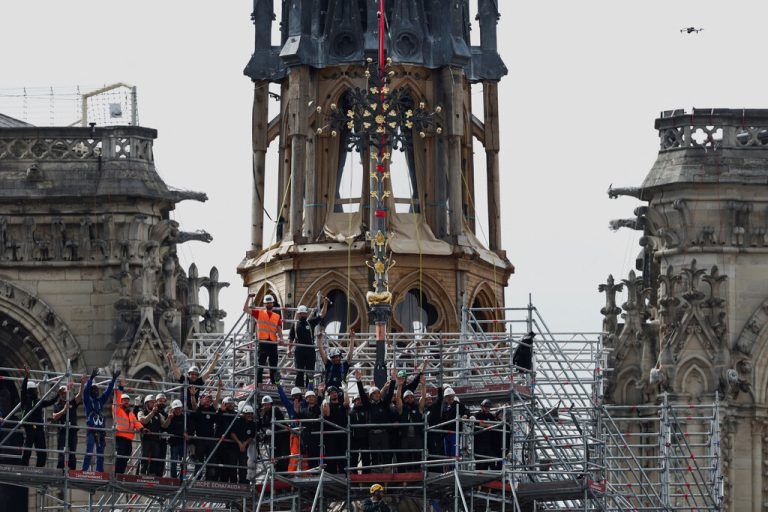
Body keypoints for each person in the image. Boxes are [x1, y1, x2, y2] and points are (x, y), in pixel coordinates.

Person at [355, 368, 396, 470]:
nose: (377, 395)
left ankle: (386, 471)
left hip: (384, 433)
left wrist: (393, 380)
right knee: (374, 454)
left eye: (378, 393)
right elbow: (362, 394)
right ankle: (376, 471)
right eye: (374, 394)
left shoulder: (384, 404)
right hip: (372, 433)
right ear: (370, 396)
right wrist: (359, 381)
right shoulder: (368, 405)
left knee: (386, 454)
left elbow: (390, 394)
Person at [20, 366, 59, 467]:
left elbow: (50, 402)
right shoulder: (25, 400)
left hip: (39, 429)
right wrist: (26, 376)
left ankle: (39, 468)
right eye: (35, 390)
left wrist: (58, 395)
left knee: (42, 452)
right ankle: (24, 467)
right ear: (31, 390)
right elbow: (23, 390)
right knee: (27, 450)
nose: (37, 392)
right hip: (29, 428)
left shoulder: (38, 401)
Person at [288, 297, 329, 388]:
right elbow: (291, 339)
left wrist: (325, 303)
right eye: (301, 313)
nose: (302, 315)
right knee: (299, 372)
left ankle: (309, 389)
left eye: (304, 313)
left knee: (310, 372)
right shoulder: (295, 325)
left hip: (310, 350)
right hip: (299, 350)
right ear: (298, 314)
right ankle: (299, 389)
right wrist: (289, 349)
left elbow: (322, 315)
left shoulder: (310, 323)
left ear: (306, 314)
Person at [82, 369, 118, 472]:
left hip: (101, 431)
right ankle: (84, 470)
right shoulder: (88, 401)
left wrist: (113, 380)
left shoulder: (100, 401)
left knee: (100, 453)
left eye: (97, 389)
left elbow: (108, 391)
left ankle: (99, 471)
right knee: (89, 451)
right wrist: (91, 379)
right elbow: (85, 392)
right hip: (91, 430)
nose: (96, 391)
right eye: (94, 389)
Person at [244, 294, 284, 384]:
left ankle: (274, 384)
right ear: (264, 304)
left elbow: (279, 329)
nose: (269, 304)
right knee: (260, 364)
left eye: (270, 303)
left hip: (273, 342)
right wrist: (249, 298)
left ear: (272, 303)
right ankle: (258, 383)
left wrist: (281, 338)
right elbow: (245, 309)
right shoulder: (259, 313)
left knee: (273, 365)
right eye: (267, 303)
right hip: (263, 342)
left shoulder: (277, 316)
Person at [51, 375, 86, 470]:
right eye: (62, 393)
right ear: (59, 394)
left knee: (72, 452)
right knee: (61, 452)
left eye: (65, 393)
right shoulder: (57, 405)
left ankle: (72, 471)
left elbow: (80, 395)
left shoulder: (72, 402)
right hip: (62, 431)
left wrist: (82, 384)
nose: (63, 395)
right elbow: (54, 417)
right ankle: (60, 471)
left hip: (72, 430)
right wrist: (63, 410)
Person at [393, 372, 426, 472]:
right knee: (404, 456)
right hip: (405, 437)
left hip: (417, 436)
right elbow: (398, 398)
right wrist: (399, 386)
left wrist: (423, 385)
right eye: (407, 397)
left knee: (417, 456)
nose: (409, 399)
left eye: (411, 397)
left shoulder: (418, 407)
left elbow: (423, 397)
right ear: (404, 399)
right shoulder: (402, 408)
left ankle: (417, 473)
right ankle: (404, 475)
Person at [189, 381, 222, 480]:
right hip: (200, 439)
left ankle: (209, 480)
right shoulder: (199, 409)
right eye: (205, 400)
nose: (207, 402)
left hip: (210, 440)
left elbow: (217, 400)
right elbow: (193, 404)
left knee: (211, 461)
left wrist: (219, 388)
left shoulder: (212, 409)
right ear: (201, 400)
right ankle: (197, 478)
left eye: (209, 401)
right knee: (199, 461)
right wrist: (192, 395)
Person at [114, 382, 145, 474]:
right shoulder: (117, 409)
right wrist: (121, 388)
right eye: (124, 400)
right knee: (120, 456)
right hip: (120, 437)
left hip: (129, 438)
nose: (126, 402)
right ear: (120, 401)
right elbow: (116, 399)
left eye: (127, 400)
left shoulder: (130, 413)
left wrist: (142, 429)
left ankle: (120, 474)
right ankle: (117, 474)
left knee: (126, 457)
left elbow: (136, 422)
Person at [276, 385, 307, 472]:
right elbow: (283, 398)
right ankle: (291, 472)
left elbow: (310, 394)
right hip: (295, 433)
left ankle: (306, 473)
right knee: (294, 454)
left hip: (304, 433)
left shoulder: (305, 404)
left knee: (305, 454)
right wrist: (278, 386)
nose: (296, 397)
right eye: (294, 396)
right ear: (292, 397)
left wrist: (311, 382)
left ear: (300, 395)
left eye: (298, 395)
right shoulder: (290, 406)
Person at [321, 386, 349, 474]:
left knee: (342, 457)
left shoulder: (341, 405)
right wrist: (325, 398)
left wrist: (345, 391)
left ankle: (343, 474)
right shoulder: (327, 404)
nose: (334, 394)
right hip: (331, 437)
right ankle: (332, 475)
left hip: (342, 435)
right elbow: (327, 413)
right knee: (331, 458)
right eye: (331, 393)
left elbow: (347, 403)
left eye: (335, 392)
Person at [259, 395, 290, 472]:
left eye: (267, 404)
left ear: (271, 404)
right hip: (273, 439)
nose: (266, 406)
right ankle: (276, 473)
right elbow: (263, 425)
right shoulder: (265, 414)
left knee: (283, 457)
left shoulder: (275, 410)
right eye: (264, 405)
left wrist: (271, 429)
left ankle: (283, 474)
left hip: (282, 438)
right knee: (274, 457)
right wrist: (266, 430)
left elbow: (279, 423)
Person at [137, 394, 165, 476]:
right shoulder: (141, 412)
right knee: (144, 455)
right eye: (151, 402)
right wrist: (152, 413)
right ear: (146, 403)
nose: (153, 404)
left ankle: (152, 473)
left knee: (155, 456)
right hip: (145, 439)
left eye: (154, 402)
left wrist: (169, 418)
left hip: (155, 439)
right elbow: (143, 421)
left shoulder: (158, 414)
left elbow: (164, 425)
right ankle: (142, 472)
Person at [231, 404, 258, 484]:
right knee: (233, 463)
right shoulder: (237, 421)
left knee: (243, 463)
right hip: (234, 445)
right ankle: (233, 481)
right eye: (248, 414)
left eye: (251, 414)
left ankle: (242, 481)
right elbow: (232, 433)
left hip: (244, 446)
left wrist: (245, 443)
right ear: (244, 414)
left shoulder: (252, 424)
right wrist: (239, 443)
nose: (249, 415)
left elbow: (251, 436)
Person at [440, 387, 469, 462]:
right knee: (447, 453)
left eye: (451, 396)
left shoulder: (458, 405)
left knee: (454, 452)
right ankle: (448, 467)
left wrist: (465, 415)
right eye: (448, 396)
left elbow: (466, 411)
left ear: (454, 396)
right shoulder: (444, 406)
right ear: (445, 398)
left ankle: (454, 467)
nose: (450, 398)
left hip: (454, 432)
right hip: (445, 433)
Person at [215, 396, 240, 483]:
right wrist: (221, 411)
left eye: (231, 404)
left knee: (233, 466)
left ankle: (234, 483)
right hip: (221, 445)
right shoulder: (220, 413)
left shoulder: (235, 414)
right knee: (222, 466)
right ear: (224, 404)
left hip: (232, 444)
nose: (230, 405)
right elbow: (216, 421)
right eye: (228, 404)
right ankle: (223, 482)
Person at [162, 400, 188, 479]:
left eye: (179, 408)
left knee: (184, 463)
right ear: (173, 409)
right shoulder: (170, 417)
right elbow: (169, 429)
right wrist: (182, 433)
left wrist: (186, 434)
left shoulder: (185, 418)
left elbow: (188, 428)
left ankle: (182, 478)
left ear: (182, 408)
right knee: (174, 462)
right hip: (174, 443)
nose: (178, 410)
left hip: (183, 443)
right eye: (176, 409)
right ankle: (173, 478)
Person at [295, 390, 321, 469]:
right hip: (308, 439)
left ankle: (321, 472)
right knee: (311, 459)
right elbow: (298, 419)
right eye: (309, 397)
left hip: (319, 438)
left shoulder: (320, 409)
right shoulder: (303, 411)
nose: (311, 398)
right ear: (306, 399)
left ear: (315, 398)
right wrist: (296, 412)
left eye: (313, 397)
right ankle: (313, 473)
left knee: (321, 458)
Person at [474, 399, 499, 470]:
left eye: (488, 407)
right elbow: (477, 423)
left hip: (489, 443)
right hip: (479, 443)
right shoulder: (477, 415)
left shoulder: (491, 416)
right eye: (486, 407)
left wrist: (489, 425)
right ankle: (480, 477)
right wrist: (488, 425)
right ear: (482, 407)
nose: (487, 408)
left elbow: (495, 425)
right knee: (480, 464)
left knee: (491, 462)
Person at [348, 392, 369, 473]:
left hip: (365, 437)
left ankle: (366, 474)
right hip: (354, 438)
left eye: (360, 399)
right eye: (357, 399)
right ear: (354, 401)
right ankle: (353, 474)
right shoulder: (350, 412)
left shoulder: (366, 410)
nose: (359, 401)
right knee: (354, 457)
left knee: (366, 457)